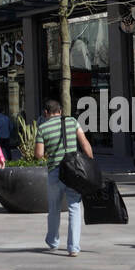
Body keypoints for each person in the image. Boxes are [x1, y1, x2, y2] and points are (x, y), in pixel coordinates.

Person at [34, 99, 91, 256]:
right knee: (74, 208)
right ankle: (73, 248)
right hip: (73, 171)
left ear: (46, 112)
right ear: (60, 110)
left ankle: (53, 242)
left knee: (54, 209)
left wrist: (48, 154)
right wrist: (91, 164)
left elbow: (38, 154)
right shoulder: (72, 121)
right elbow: (85, 144)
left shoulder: (42, 127)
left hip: (55, 172)